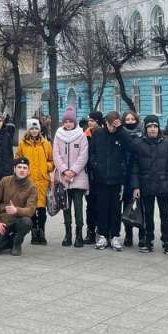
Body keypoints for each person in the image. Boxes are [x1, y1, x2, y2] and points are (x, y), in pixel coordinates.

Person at [129, 115, 168, 255]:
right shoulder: (138, 145)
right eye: (149, 126)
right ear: (145, 128)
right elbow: (134, 168)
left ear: (159, 128)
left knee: (165, 215)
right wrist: (136, 186)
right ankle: (148, 240)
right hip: (146, 184)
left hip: (165, 185)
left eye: (155, 126)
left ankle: (167, 242)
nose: (152, 129)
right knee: (148, 215)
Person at [88, 110, 128, 251]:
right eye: (110, 125)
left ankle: (115, 235)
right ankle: (103, 235)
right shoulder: (98, 134)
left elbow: (130, 149)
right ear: (106, 123)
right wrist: (95, 165)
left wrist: (121, 129)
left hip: (117, 179)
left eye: (115, 126)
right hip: (101, 178)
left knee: (116, 209)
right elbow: (91, 153)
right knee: (102, 208)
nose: (112, 128)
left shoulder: (121, 134)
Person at [53, 107, 89, 248]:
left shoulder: (81, 135)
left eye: (70, 121)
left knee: (78, 208)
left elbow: (83, 155)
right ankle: (67, 234)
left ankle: (79, 235)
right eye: (66, 121)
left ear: (74, 122)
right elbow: (56, 154)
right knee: (65, 207)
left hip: (78, 177)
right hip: (63, 178)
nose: (68, 124)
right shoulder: (58, 135)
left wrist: (73, 171)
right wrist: (64, 170)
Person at [0, 158, 37, 256]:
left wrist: (16, 210)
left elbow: (31, 210)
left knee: (27, 222)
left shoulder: (32, 187)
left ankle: (17, 243)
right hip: (3, 221)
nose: (22, 170)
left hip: (19, 221)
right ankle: (11, 241)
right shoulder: (5, 181)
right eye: (19, 167)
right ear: (14, 169)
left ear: (29, 171)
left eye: (24, 168)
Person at [16, 118, 52, 245]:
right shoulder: (22, 144)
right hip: (28, 181)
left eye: (36, 128)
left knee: (41, 209)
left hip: (42, 181)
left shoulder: (45, 144)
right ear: (28, 130)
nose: (34, 131)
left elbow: (51, 161)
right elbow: (17, 160)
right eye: (32, 128)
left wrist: (45, 167)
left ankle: (41, 232)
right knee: (31, 208)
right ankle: (34, 233)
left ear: (40, 130)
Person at [82, 111, 104, 244]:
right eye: (89, 120)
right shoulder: (85, 135)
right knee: (90, 205)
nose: (90, 123)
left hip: (101, 176)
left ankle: (101, 231)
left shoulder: (104, 134)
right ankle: (90, 231)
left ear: (99, 122)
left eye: (93, 120)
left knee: (101, 205)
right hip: (89, 176)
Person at [120, 111, 142, 246]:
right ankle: (128, 234)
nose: (130, 121)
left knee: (141, 206)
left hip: (140, 174)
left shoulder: (142, 135)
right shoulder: (121, 135)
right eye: (127, 119)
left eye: (132, 119)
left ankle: (142, 235)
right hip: (124, 175)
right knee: (126, 205)